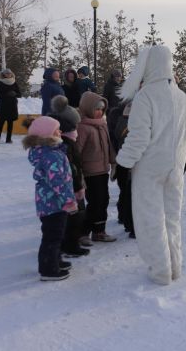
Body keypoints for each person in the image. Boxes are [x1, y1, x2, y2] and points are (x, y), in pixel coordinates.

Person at [116, 45, 186, 285]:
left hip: (150, 169)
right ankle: (175, 266)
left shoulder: (146, 96)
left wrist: (123, 163)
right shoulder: (182, 97)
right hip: (175, 168)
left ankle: (160, 270)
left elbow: (139, 137)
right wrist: (185, 161)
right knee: (172, 218)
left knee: (150, 219)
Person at [23, 116, 77, 281]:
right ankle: (48, 269)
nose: (60, 131)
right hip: (54, 203)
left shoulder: (51, 151)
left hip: (51, 202)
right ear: (47, 134)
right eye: (56, 130)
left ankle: (55, 260)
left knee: (56, 234)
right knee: (52, 236)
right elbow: (57, 181)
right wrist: (69, 200)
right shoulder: (50, 155)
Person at [48, 96, 90, 257]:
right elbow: (70, 168)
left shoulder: (66, 141)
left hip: (72, 186)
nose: (77, 130)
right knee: (73, 217)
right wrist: (78, 186)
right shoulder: (66, 143)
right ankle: (70, 245)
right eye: (75, 127)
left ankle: (70, 243)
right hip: (70, 188)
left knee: (75, 216)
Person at [77, 91, 117, 243]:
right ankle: (83, 232)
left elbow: (109, 146)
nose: (99, 112)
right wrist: (79, 174)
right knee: (95, 202)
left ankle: (99, 231)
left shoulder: (103, 125)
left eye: (101, 109)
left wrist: (114, 163)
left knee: (104, 200)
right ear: (88, 108)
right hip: (89, 173)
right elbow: (76, 153)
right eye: (96, 109)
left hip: (102, 170)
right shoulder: (83, 127)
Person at [108, 100, 135, 238]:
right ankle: (130, 224)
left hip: (122, 158)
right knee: (129, 192)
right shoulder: (127, 120)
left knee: (125, 191)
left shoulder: (119, 117)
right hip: (127, 160)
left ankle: (124, 218)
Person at [0, 69, 21, 144]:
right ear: (3, 74)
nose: (8, 74)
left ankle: (8, 139)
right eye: (7, 73)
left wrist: (14, 93)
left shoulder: (14, 82)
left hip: (12, 105)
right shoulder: (0, 83)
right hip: (4, 105)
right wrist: (6, 94)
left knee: (10, 123)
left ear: (12, 74)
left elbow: (19, 94)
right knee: (1, 122)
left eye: (9, 73)